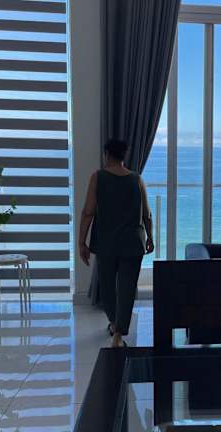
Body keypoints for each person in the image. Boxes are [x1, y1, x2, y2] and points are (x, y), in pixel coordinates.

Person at [78, 139, 154, 347]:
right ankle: (119, 333)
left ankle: (114, 323)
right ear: (123, 156)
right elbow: (147, 214)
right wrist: (150, 237)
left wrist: (81, 242)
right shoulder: (137, 179)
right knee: (127, 288)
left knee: (107, 286)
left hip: (106, 243)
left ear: (107, 154)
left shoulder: (98, 177)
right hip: (133, 242)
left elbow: (88, 212)